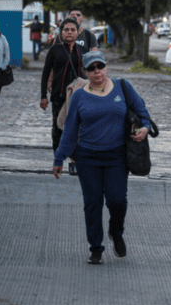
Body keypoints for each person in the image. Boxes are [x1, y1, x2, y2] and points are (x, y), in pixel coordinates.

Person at [53, 51, 151, 265]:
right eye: (91, 68)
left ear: (106, 67)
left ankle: (116, 232)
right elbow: (69, 131)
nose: (96, 71)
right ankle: (95, 248)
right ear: (86, 72)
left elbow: (143, 112)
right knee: (92, 203)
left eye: (100, 66)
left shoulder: (123, 87)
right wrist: (59, 158)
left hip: (117, 156)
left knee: (117, 200)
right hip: (87, 157)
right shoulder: (79, 95)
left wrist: (145, 128)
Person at [40, 18, 88, 155]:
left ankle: (74, 159)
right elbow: (45, 73)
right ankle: (58, 156)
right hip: (58, 95)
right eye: (66, 29)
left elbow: (90, 73)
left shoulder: (83, 50)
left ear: (78, 32)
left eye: (73, 30)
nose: (69, 32)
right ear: (61, 32)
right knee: (58, 128)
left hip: (78, 96)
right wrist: (43, 96)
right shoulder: (54, 50)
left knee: (77, 128)